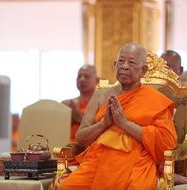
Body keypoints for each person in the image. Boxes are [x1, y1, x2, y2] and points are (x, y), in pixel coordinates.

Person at [58, 43, 177, 190]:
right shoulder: (101, 95)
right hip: (98, 160)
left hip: (136, 161)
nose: (125, 66)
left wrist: (124, 123)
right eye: (121, 61)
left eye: (131, 62)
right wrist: (103, 124)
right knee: (67, 187)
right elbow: (81, 137)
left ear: (143, 70)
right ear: (115, 65)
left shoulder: (155, 100)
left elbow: (166, 142)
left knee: (137, 186)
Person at [62, 64, 99, 143]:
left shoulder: (101, 104)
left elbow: (102, 129)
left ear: (97, 80)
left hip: (89, 148)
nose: (82, 79)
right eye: (79, 76)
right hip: (65, 147)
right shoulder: (67, 104)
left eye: (86, 76)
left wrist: (80, 118)